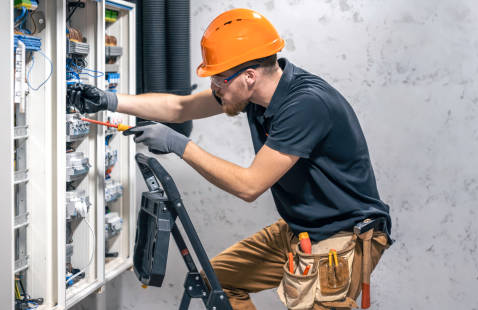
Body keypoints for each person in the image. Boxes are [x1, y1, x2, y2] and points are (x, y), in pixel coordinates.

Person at [68, 8, 392, 310]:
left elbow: (250, 186)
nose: (214, 88)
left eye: (219, 79)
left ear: (249, 76)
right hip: (302, 226)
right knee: (216, 280)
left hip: (344, 236)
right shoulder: (253, 93)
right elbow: (180, 107)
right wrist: (109, 100)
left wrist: (179, 144)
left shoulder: (305, 105)